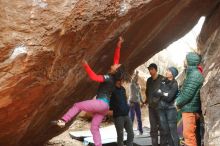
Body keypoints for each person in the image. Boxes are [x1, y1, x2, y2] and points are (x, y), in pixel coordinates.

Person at [52, 37, 124, 146]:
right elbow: (116, 59)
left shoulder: (108, 78)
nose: (115, 64)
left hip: (101, 104)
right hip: (105, 108)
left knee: (77, 105)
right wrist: (118, 45)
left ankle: (63, 120)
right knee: (94, 128)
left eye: (117, 66)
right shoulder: (114, 78)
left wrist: (86, 65)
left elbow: (94, 77)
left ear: (115, 70)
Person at [175, 52, 204, 146]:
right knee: (188, 135)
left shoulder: (194, 75)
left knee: (189, 136)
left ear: (190, 60)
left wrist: (177, 103)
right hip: (189, 108)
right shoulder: (192, 73)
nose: (184, 61)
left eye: (186, 59)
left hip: (190, 109)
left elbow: (187, 94)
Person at [154, 67, 179, 146]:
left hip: (170, 109)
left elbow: (169, 98)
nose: (166, 72)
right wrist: (164, 93)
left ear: (172, 74)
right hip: (161, 108)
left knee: (173, 130)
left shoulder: (175, 84)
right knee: (165, 130)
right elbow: (155, 92)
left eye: (168, 71)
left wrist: (161, 92)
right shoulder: (163, 81)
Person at [144, 63, 164, 146]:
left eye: (152, 69)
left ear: (156, 70)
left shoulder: (162, 79)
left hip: (160, 107)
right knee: (153, 128)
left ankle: (163, 144)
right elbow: (147, 91)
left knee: (162, 127)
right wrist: (146, 101)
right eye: (149, 69)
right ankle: (154, 144)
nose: (150, 71)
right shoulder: (149, 80)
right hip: (151, 107)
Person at [110, 79, 134, 146]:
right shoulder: (112, 90)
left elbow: (125, 99)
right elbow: (109, 102)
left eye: (122, 80)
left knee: (131, 133)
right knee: (120, 136)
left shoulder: (123, 89)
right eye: (119, 80)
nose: (121, 82)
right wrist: (113, 109)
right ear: (116, 81)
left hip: (126, 114)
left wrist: (128, 107)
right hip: (118, 116)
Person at [129, 71, 144, 135]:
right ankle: (129, 131)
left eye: (137, 78)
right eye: (135, 78)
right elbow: (132, 80)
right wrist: (136, 74)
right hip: (132, 103)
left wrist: (142, 101)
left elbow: (139, 94)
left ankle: (140, 130)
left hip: (137, 103)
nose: (136, 79)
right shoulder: (132, 85)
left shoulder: (138, 86)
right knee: (131, 117)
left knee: (139, 117)